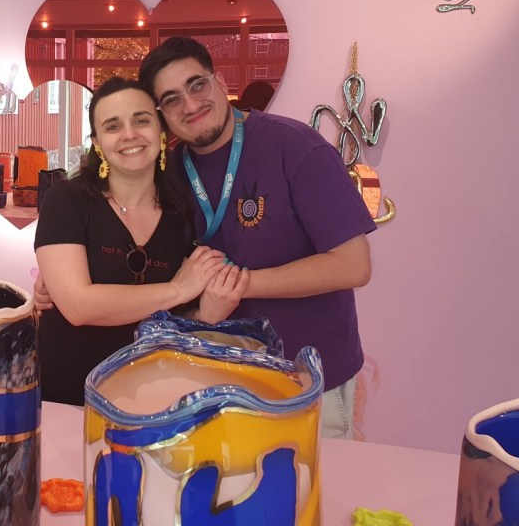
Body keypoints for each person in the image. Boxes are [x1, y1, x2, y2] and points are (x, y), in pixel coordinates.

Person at [137, 37, 376, 439]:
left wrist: (242, 284)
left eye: (197, 85)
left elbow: (354, 264)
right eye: (172, 99)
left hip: (305, 381)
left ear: (219, 81)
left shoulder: (294, 146)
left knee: (312, 481)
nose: (190, 105)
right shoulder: (168, 172)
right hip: (209, 383)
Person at [34, 76, 238, 405]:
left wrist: (204, 314)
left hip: (154, 399)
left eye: (141, 120)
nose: (129, 134)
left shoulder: (182, 211)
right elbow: (77, 306)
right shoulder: (67, 200)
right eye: (113, 126)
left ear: (161, 131)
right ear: (97, 142)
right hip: (68, 398)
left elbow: (170, 320)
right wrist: (178, 289)